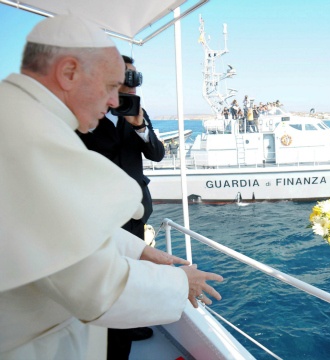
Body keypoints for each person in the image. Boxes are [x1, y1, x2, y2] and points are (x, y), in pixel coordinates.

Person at [0, 15, 223, 360]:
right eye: (109, 86)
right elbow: (96, 288)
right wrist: (183, 283)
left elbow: (58, 225)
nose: (116, 102)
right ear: (69, 73)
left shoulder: (21, 118)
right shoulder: (29, 139)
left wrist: (139, 251)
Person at [76, 55, 165, 356]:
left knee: (133, 276)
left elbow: (157, 154)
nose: (131, 85)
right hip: (102, 214)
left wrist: (139, 124)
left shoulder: (138, 112)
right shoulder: (85, 114)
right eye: (126, 78)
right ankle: (113, 343)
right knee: (109, 280)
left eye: (135, 79)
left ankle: (129, 323)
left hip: (137, 212)